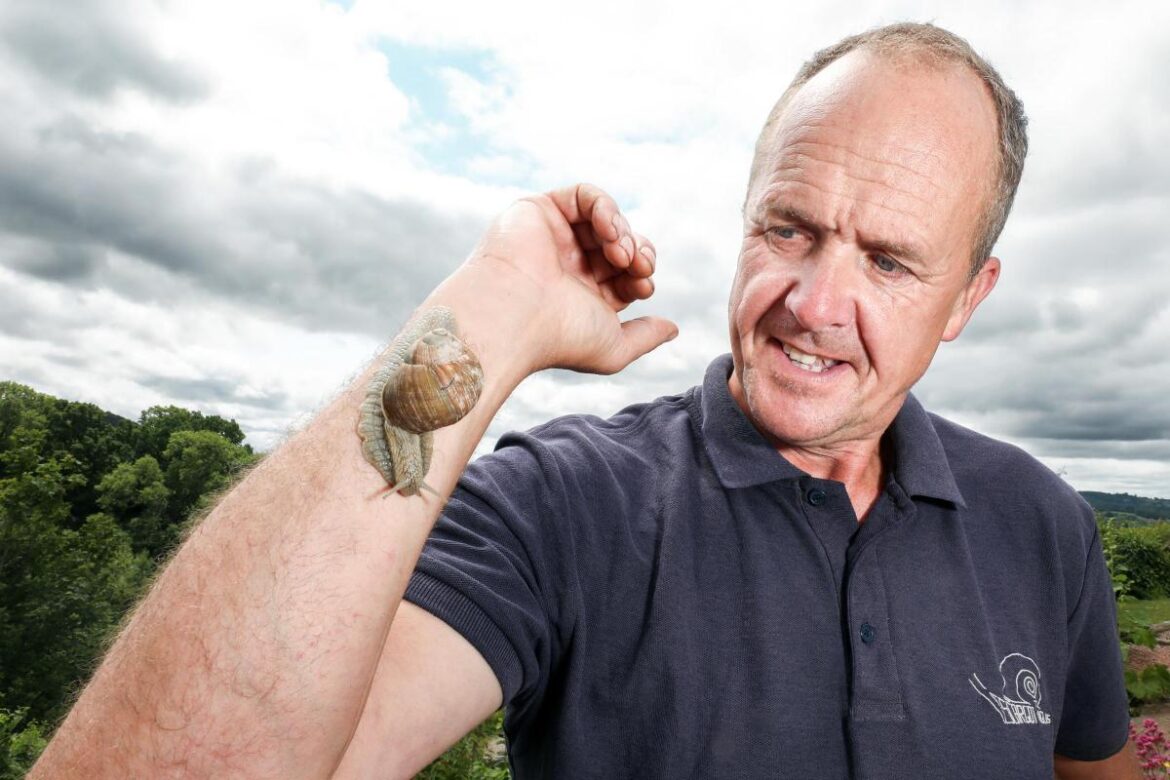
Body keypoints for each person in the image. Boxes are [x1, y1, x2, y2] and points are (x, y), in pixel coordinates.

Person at [31, 22, 1138, 780]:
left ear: (966, 299)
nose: (813, 303)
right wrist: (485, 316)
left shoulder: (1041, 523)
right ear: (745, 214)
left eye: (891, 263)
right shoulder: (561, 506)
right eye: (787, 228)